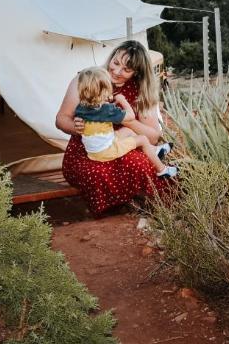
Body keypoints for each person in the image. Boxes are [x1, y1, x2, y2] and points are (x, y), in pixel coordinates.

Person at [56, 40, 175, 215]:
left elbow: (153, 137)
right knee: (97, 173)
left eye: (127, 70)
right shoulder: (87, 79)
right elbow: (61, 119)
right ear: (111, 58)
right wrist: (78, 126)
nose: (117, 71)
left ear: (137, 73)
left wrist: (127, 120)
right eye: (116, 63)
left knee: (139, 163)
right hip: (87, 151)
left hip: (120, 147)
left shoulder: (140, 90)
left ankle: (151, 208)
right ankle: (114, 212)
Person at [74, 67, 176, 177]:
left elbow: (93, 116)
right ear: (102, 91)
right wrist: (123, 100)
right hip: (106, 151)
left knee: (128, 130)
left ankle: (154, 150)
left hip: (94, 151)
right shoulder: (107, 110)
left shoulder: (81, 107)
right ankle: (162, 170)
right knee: (142, 139)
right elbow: (130, 116)